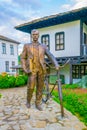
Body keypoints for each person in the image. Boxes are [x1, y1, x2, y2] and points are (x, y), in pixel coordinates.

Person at [21, 29, 59, 111]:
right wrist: (24, 68)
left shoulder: (43, 46)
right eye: (33, 34)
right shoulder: (27, 46)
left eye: (36, 34)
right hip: (32, 69)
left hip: (41, 69)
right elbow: (23, 58)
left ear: (38, 35)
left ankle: (37, 103)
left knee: (40, 88)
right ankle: (28, 101)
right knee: (30, 87)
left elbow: (50, 55)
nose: (35, 36)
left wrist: (56, 64)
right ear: (31, 35)